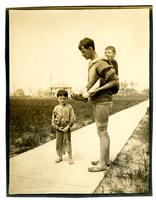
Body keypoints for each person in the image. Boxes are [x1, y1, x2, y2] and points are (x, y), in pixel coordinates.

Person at [77, 37, 119, 172]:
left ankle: (101, 164)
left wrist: (96, 90)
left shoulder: (100, 62)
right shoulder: (93, 63)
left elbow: (115, 81)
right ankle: (105, 160)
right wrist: (83, 94)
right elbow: (93, 83)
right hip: (97, 100)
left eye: (84, 51)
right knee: (101, 131)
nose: (82, 55)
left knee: (102, 131)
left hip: (103, 101)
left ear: (90, 48)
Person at [52, 90, 76, 164]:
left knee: (68, 142)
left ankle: (70, 157)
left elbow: (73, 118)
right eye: (60, 98)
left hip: (67, 128)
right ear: (57, 99)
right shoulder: (56, 108)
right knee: (59, 143)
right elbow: (53, 120)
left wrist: (68, 127)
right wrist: (58, 127)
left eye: (64, 98)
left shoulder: (69, 107)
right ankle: (60, 157)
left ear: (67, 99)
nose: (62, 100)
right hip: (59, 129)